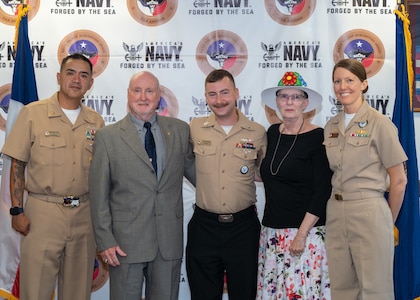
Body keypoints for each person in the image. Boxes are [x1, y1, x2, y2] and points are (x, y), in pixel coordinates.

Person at [2, 53, 104, 300]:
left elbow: (101, 174)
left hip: (83, 216)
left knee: (77, 292)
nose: (76, 80)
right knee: (35, 290)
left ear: (90, 83)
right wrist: (17, 211)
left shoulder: (96, 121)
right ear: (59, 77)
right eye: (70, 73)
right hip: (42, 215)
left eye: (83, 75)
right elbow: (17, 164)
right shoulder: (32, 114)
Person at [88, 70, 195, 300]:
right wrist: (105, 240)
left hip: (168, 244)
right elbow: (99, 195)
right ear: (128, 95)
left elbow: (200, 176)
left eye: (150, 91)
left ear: (159, 96)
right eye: (137, 91)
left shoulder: (179, 130)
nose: (143, 97)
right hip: (125, 244)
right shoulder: (108, 137)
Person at [324, 59, 407, 300]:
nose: (343, 86)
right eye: (337, 81)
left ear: (364, 84)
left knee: (375, 289)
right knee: (342, 288)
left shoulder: (380, 124)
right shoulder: (331, 126)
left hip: (370, 210)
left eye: (350, 80)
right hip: (336, 211)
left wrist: (386, 221)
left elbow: (399, 180)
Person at [186, 69, 267, 300]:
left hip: (243, 228)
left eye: (224, 92)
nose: (219, 100)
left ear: (236, 93)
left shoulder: (258, 133)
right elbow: (183, 163)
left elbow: (265, 173)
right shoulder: (194, 128)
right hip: (204, 226)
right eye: (212, 94)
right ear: (205, 97)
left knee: (244, 294)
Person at [257, 71, 332, 299]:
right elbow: (270, 173)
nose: (289, 102)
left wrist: (301, 235)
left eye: (296, 97)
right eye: (284, 96)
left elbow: (322, 191)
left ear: (306, 103)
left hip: (304, 235)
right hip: (271, 232)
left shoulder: (318, 137)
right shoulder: (271, 133)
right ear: (276, 101)